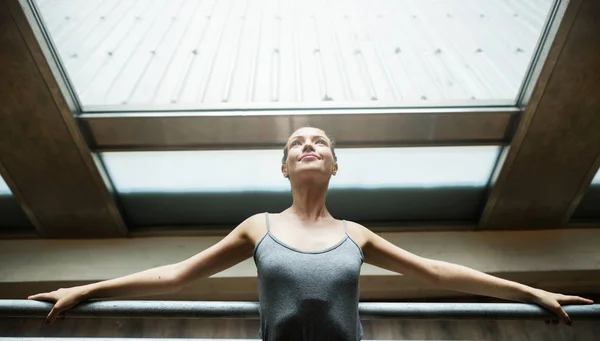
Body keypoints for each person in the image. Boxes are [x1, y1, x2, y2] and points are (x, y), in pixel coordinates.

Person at [29, 127, 594, 339]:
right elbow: (174, 275)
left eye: (320, 142)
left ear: (334, 164)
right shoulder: (259, 227)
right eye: (297, 143)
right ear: (283, 167)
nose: (308, 147)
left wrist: (531, 292)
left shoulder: (357, 234)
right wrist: (86, 290)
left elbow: (441, 272)